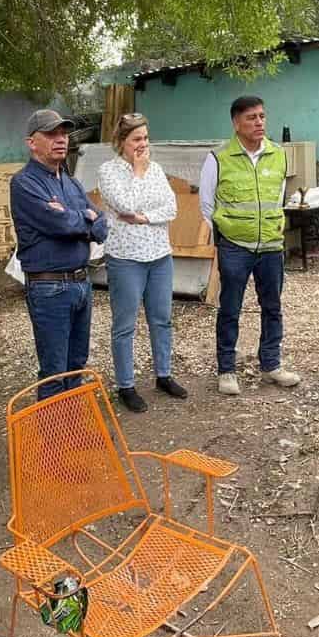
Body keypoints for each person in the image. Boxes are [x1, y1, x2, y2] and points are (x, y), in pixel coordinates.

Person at [199, 95, 301, 395]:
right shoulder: (217, 158)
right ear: (236, 123)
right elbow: (207, 206)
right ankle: (226, 369)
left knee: (272, 307)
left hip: (270, 246)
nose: (259, 122)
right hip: (235, 247)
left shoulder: (278, 155)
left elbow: (278, 197)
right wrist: (224, 237)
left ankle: (271, 365)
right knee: (230, 308)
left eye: (261, 116)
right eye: (251, 118)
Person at [10, 108, 110, 399]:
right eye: (51, 134)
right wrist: (84, 217)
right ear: (32, 142)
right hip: (49, 286)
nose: (61, 139)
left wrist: (81, 217)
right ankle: (54, 441)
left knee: (76, 365)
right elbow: (60, 224)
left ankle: (72, 432)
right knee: (54, 370)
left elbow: (102, 225)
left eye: (64, 133)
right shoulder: (24, 183)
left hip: (81, 282)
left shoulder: (70, 181)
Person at [97, 112, 188, 412]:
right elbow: (124, 205)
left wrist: (143, 217)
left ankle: (163, 374)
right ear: (121, 142)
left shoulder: (157, 169)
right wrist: (137, 171)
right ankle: (126, 385)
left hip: (159, 254)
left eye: (146, 138)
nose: (143, 144)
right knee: (124, 325)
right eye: (136, 139)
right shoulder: (108, 171)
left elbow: (171, 207)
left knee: (161, 318)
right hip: (126, 257)